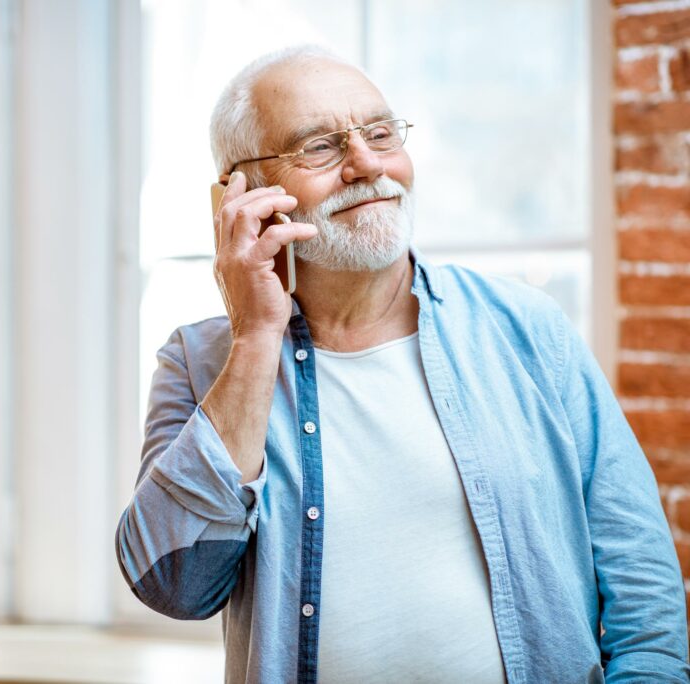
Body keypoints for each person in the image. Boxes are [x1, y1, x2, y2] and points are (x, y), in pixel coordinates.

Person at [114, 45, 689, 683]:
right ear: (241, 194)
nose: (366, 164)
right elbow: (174, 584)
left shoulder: (527, 329)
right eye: (320, 146)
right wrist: (256, 337)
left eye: (381, 134)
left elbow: (642, 581)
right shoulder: (200, 363)